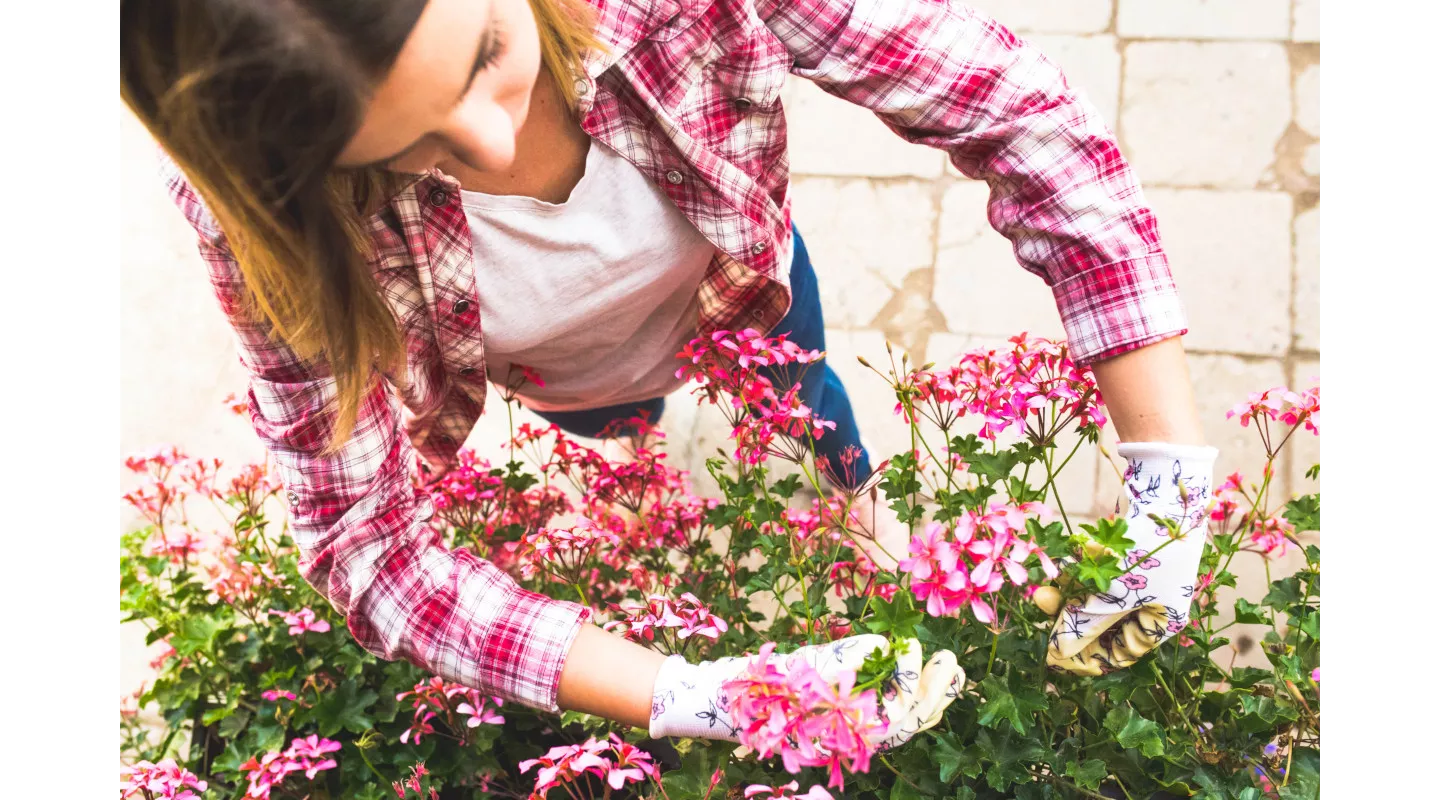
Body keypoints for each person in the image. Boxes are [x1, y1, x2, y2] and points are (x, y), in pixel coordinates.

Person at [119, 0, 1217, 748]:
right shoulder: (255, 214)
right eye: (410, 151)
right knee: (635, 430)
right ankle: (657, 443)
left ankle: (860, 520)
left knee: (804, 398)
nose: (493, 152)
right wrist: (700, 693)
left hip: (748, 293)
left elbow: (1023, 117)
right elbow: (370, 550)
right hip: (573, 380)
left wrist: (1167, 478)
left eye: (488, 57)